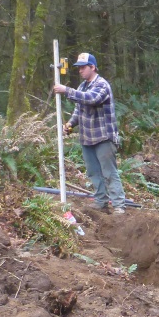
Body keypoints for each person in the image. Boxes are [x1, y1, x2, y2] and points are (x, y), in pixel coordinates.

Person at [53, 52, 127, 214]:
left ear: (92, 67)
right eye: (78, 68)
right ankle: (101, 201)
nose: (80, 71)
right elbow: (79, 110)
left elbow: (91, 99)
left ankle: (119, 205)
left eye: (83, 68)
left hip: (103, 137)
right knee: (93, 172)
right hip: (87, 138)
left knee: (108, 172)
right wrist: (70, 124)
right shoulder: (82, 86)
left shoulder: (101, 85)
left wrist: (66, 90)